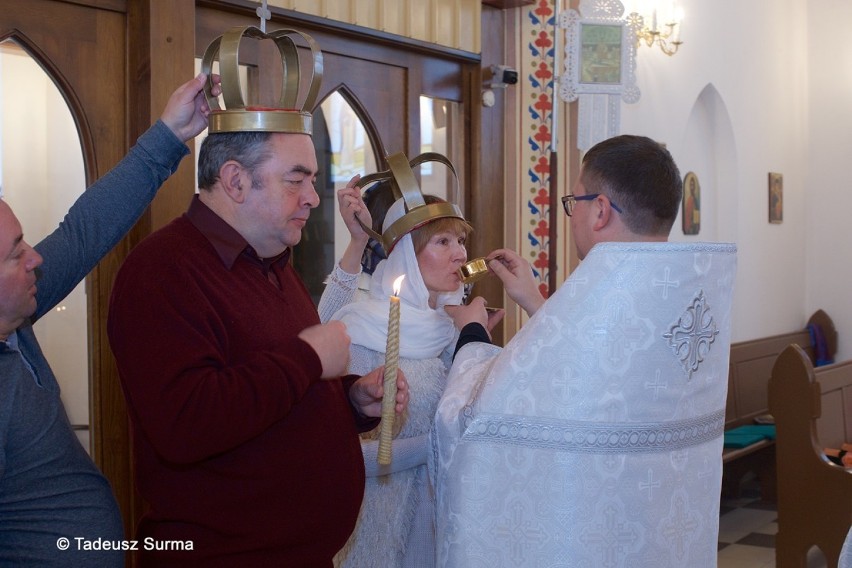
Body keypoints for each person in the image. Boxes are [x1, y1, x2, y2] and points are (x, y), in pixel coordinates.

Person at [106, 121, 409, 566]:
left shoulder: (273, 263)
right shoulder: (163, 270)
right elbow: (187, 423)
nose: (312, 197)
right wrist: (307, 358)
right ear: (235, 180)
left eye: (312, 181)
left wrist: (349, 400)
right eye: (296, 179)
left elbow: (269, 398)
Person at [432, 134, 738, 567]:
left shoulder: (603, 288)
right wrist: (537, 303)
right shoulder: (687, 291)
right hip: (657, 532)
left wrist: (474, 336)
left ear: (600, 210)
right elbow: (591, 366)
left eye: (573, 201)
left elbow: (472, 420)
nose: (571, 213)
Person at [0, 72, 219, 567]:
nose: (36, 258)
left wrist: (169, 133)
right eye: (16, 254)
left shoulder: (16, 314)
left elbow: (83, 231)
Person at [320, 160, 502, 567]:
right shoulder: (367, 329)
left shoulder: (451, 325)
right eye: (443, 243)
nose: (460, 254)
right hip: (375, 530)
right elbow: (340, 453)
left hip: (441, 526)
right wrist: (434, 446)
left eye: (461, 242)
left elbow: (477, 420)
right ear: (405, 255)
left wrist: (475, 343)